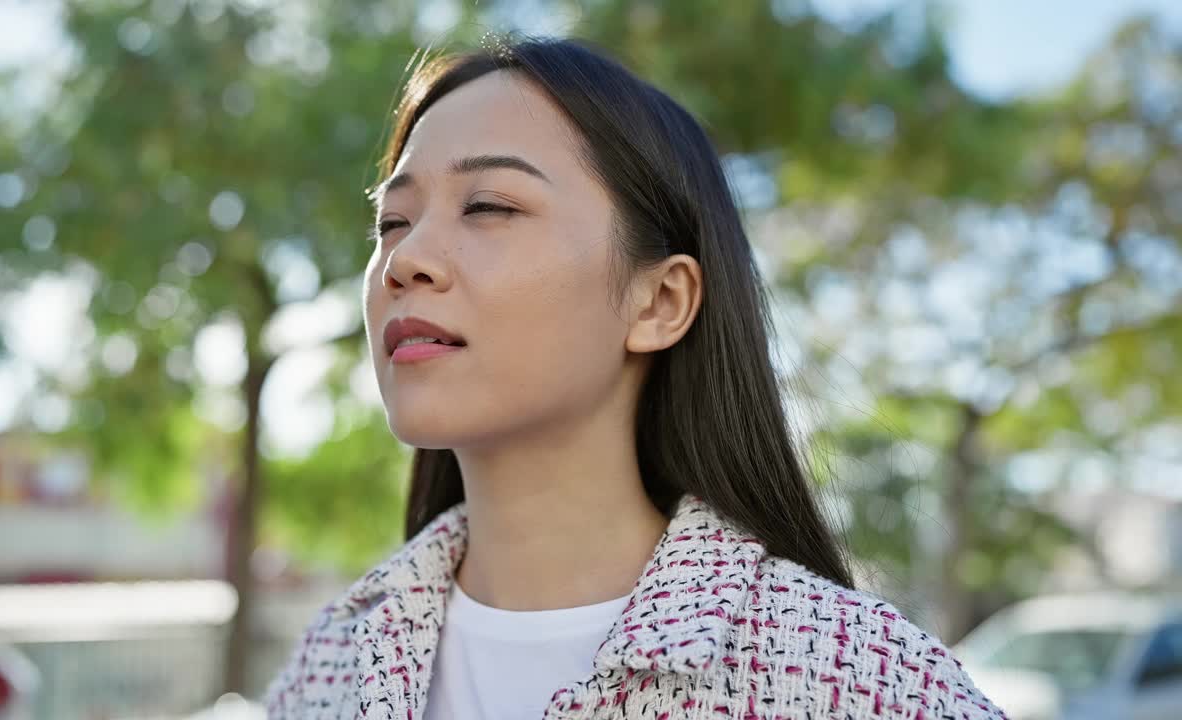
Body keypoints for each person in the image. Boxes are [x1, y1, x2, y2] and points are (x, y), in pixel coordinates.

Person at [263, 34, 1007, 720]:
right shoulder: (330, 668)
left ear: (659, 301)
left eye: (488, 205)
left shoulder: (857, 681)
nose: (404, 260)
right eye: (392, 222)